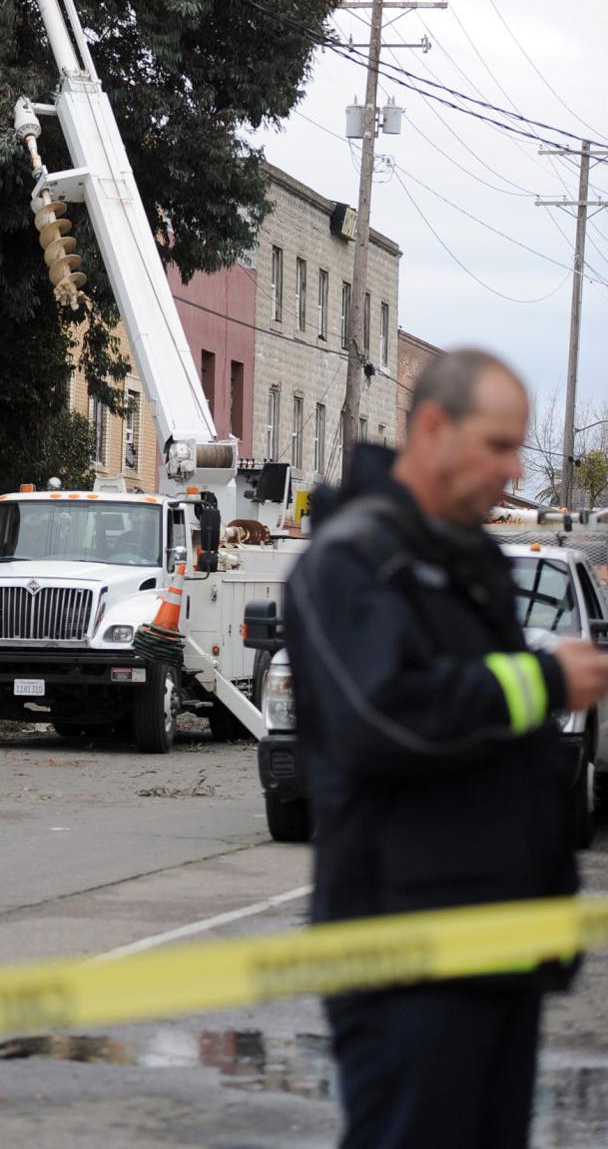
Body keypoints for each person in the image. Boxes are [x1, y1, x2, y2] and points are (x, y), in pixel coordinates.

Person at [284, 348, 608, 1149]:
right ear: (432, 427)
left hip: (496, 947)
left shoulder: (463, 561)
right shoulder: (353, 559)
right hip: (408, 959)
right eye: (498, 446)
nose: (513, 471)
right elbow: (382, 718)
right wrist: (540, 681)